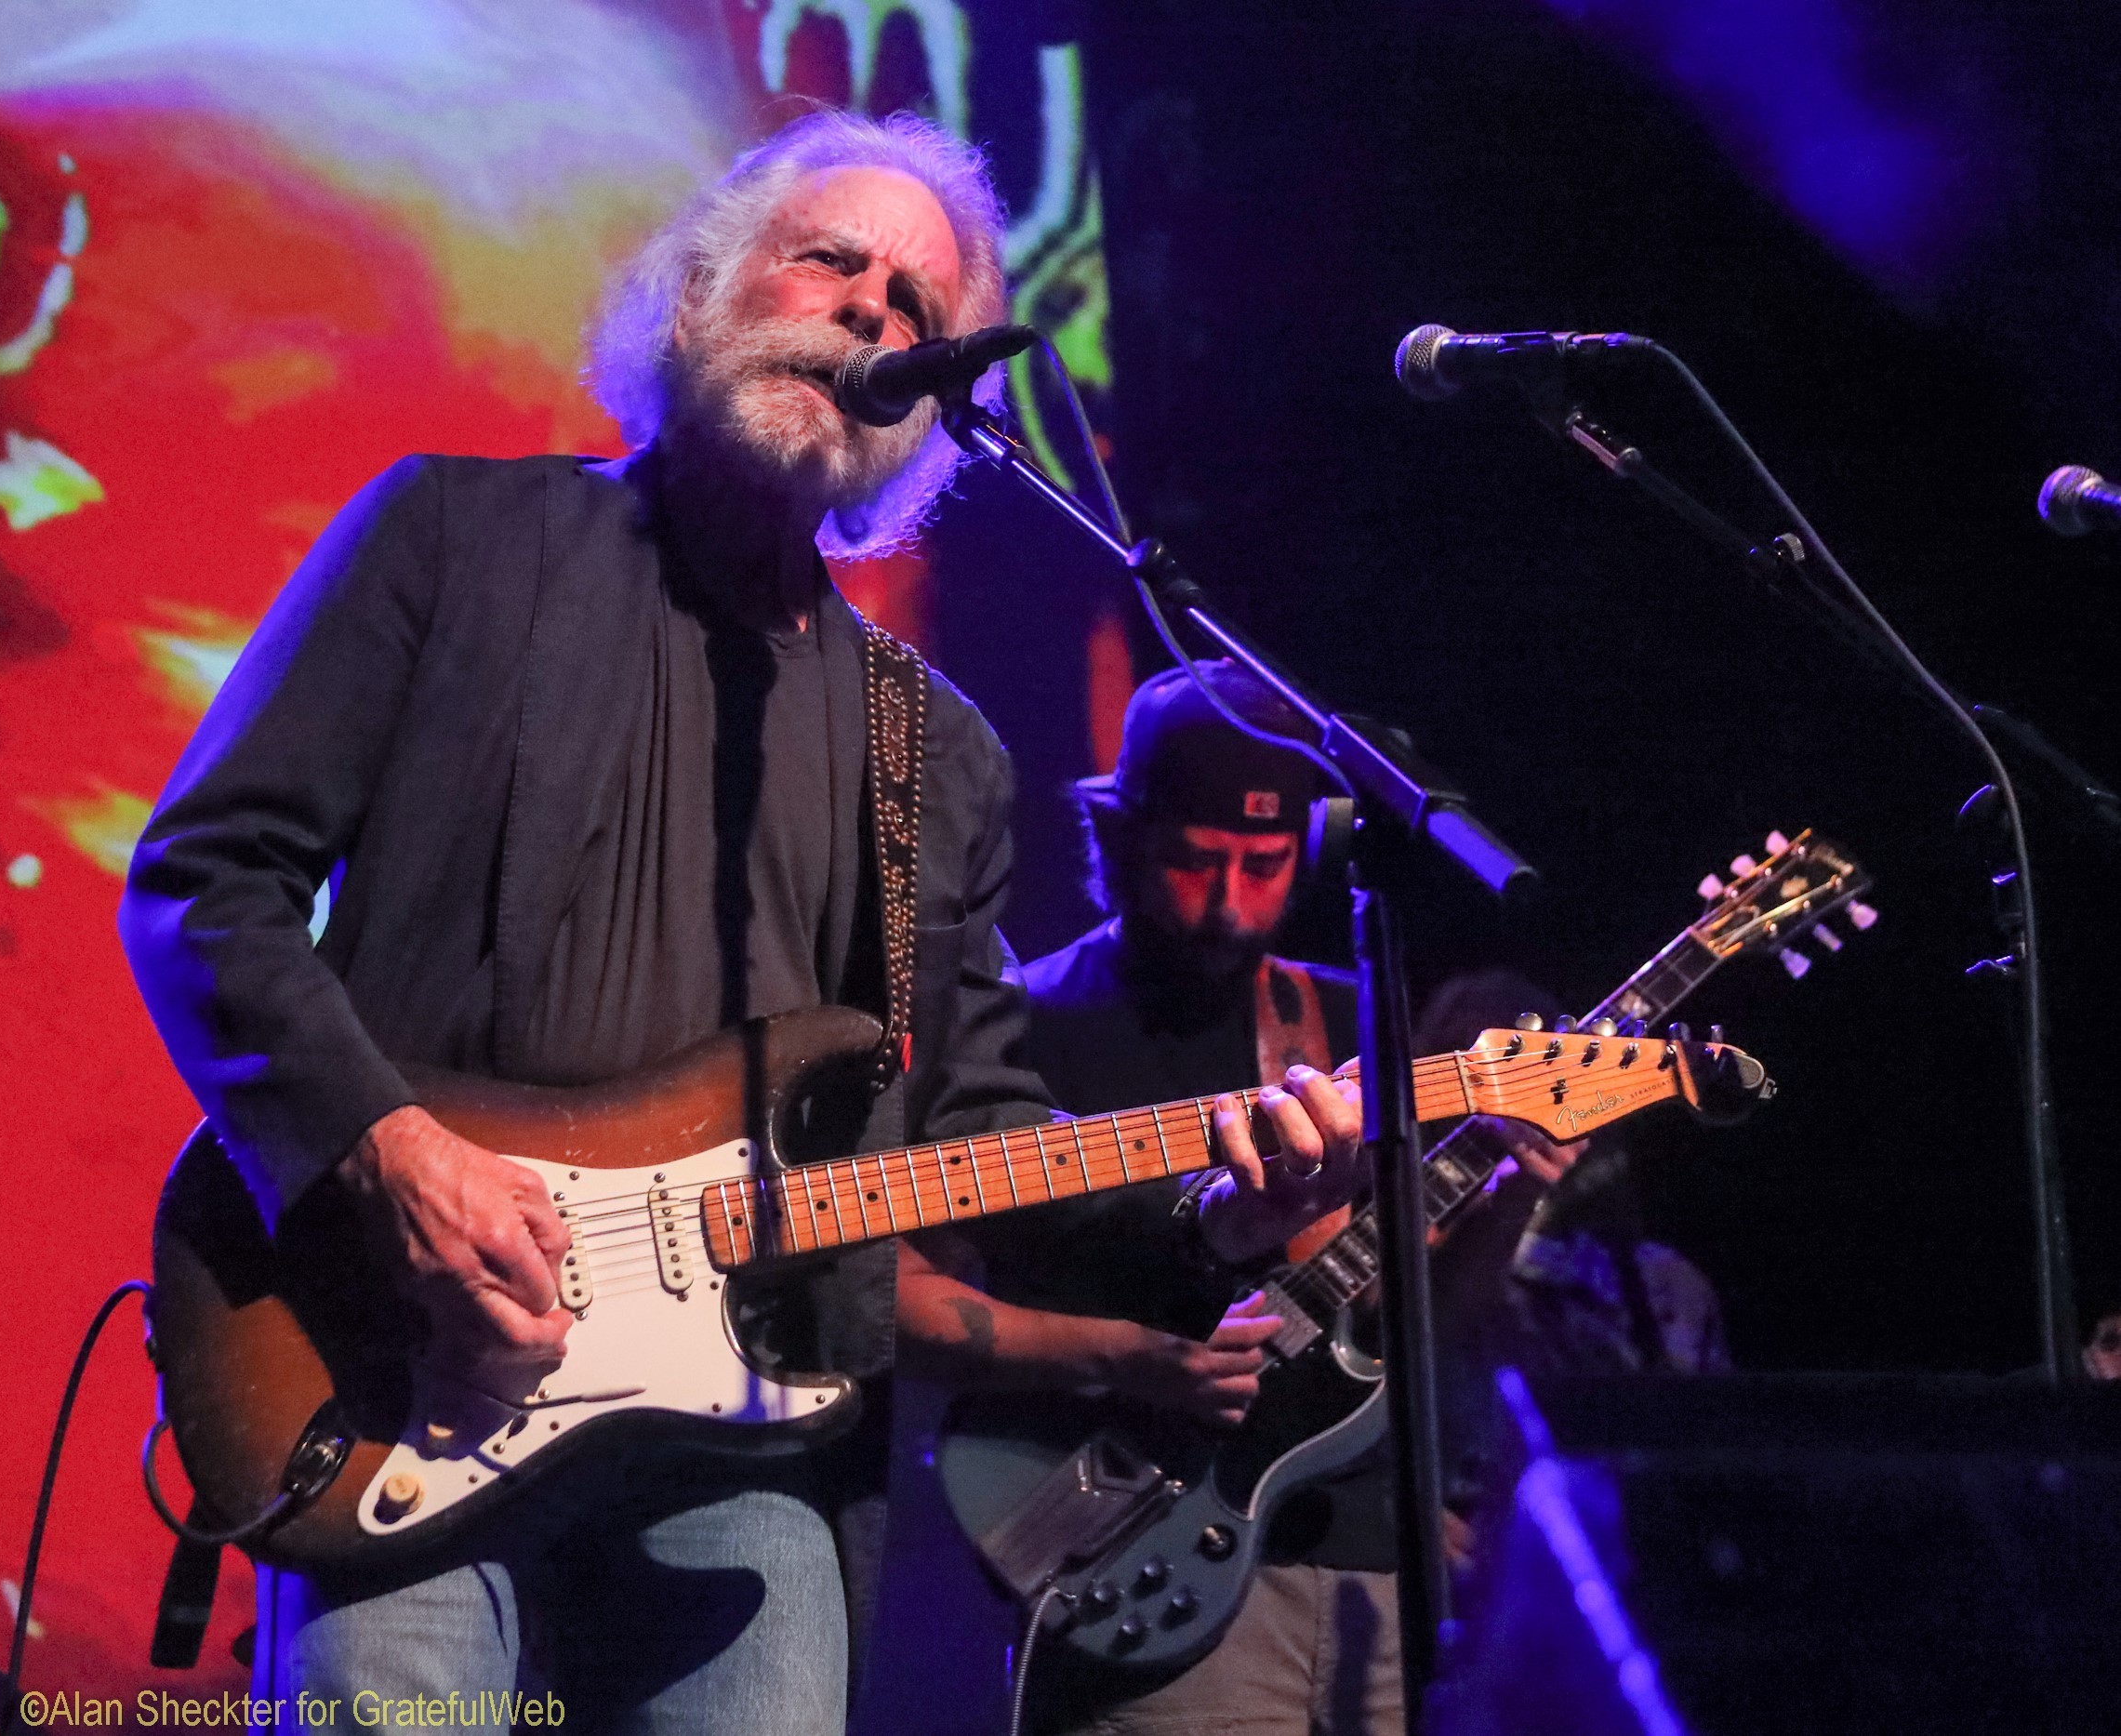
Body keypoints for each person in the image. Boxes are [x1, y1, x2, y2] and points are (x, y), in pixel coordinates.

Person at [121, 114, 1363, 1736]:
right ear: (706, 288)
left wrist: (1219, 1220)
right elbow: (205, 878)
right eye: (830, 258)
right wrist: (389, 1146)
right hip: (395, 1358)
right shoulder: (448, 536)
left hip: (752, 1429)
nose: (869, 310)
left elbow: (977, 1130)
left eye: (915, 304)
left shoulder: (939, 753)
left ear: (931, 397)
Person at [893, 663, 1565, 1736]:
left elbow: (1416, 1317)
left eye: (1264, 865)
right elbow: (889, 1300)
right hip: (1135, 1558)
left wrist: (1509, 1198)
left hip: (1369, 1566)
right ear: (1113, 837)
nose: (1225, 905)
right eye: (1194, 860)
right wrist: (1119, 1353)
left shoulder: (1347, 1018)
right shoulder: (1017, 1032)